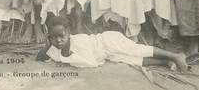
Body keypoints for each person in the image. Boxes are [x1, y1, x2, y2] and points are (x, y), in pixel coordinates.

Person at [36, 16, 187, 72]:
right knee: (133, 60)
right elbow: (40, 57)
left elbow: (91, 63)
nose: (58, 41)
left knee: (137, 50)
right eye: (53, 38)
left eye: (61, 36)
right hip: (107, 53)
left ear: (69, 33)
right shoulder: (55, 48)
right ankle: (166, 61)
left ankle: (175, 55)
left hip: (108, 41)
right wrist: (48, 45)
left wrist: (68, 58)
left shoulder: (78, 41)